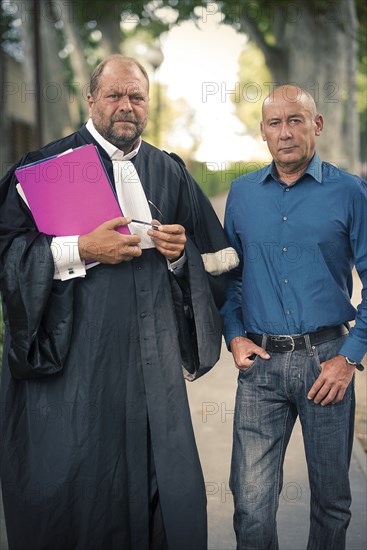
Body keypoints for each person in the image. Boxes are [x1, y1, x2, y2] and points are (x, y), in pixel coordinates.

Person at [0, 55, 238, 550]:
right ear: (91, 100)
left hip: (151, 370)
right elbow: (6, 252)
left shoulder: (169, 172)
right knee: (79, 490)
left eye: (136, 97)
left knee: (161, 489)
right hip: (76, 369)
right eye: (114, 95)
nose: (126, 106)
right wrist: (80, 248)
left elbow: (213, 263)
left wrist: (178, 257)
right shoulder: (46, 167)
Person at [221, 84, 367, 550]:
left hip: (327, 364)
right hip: (260, 366)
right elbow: (230, 277)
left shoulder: (351, 193)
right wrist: (234, 335)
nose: (286, 132)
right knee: (250, 501)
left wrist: (349, 358)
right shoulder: (242, 195)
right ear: (263, 132)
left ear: (316, 125)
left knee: (331, 501)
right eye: (275, 123)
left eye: (296, 120)